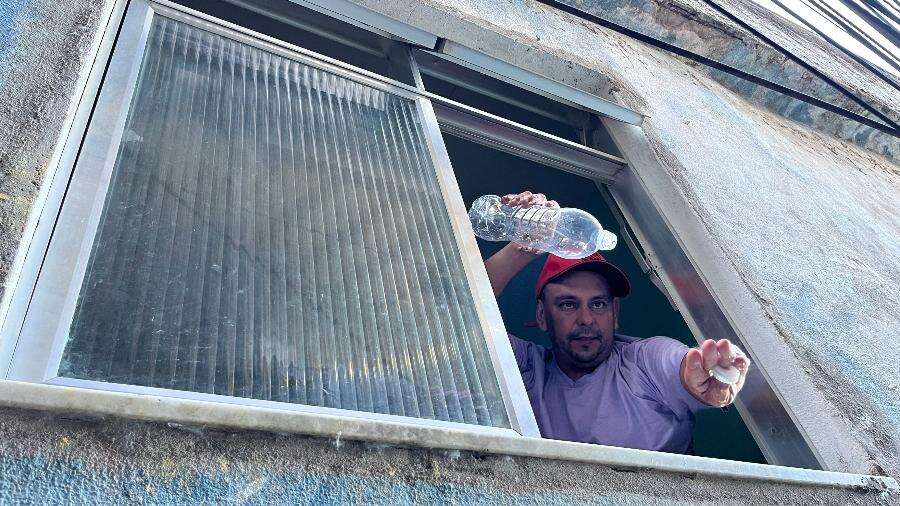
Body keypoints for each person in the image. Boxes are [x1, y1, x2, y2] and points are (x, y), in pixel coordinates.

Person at [483, 191, 750, 453]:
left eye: (598, 304)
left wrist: (710, 369)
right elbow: (458, 310)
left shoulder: (643, 362)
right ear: (542, 316)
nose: (586, 319)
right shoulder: (528, 370)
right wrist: (522, 246)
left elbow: (679, 364)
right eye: (568, 304)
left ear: (615, 313)